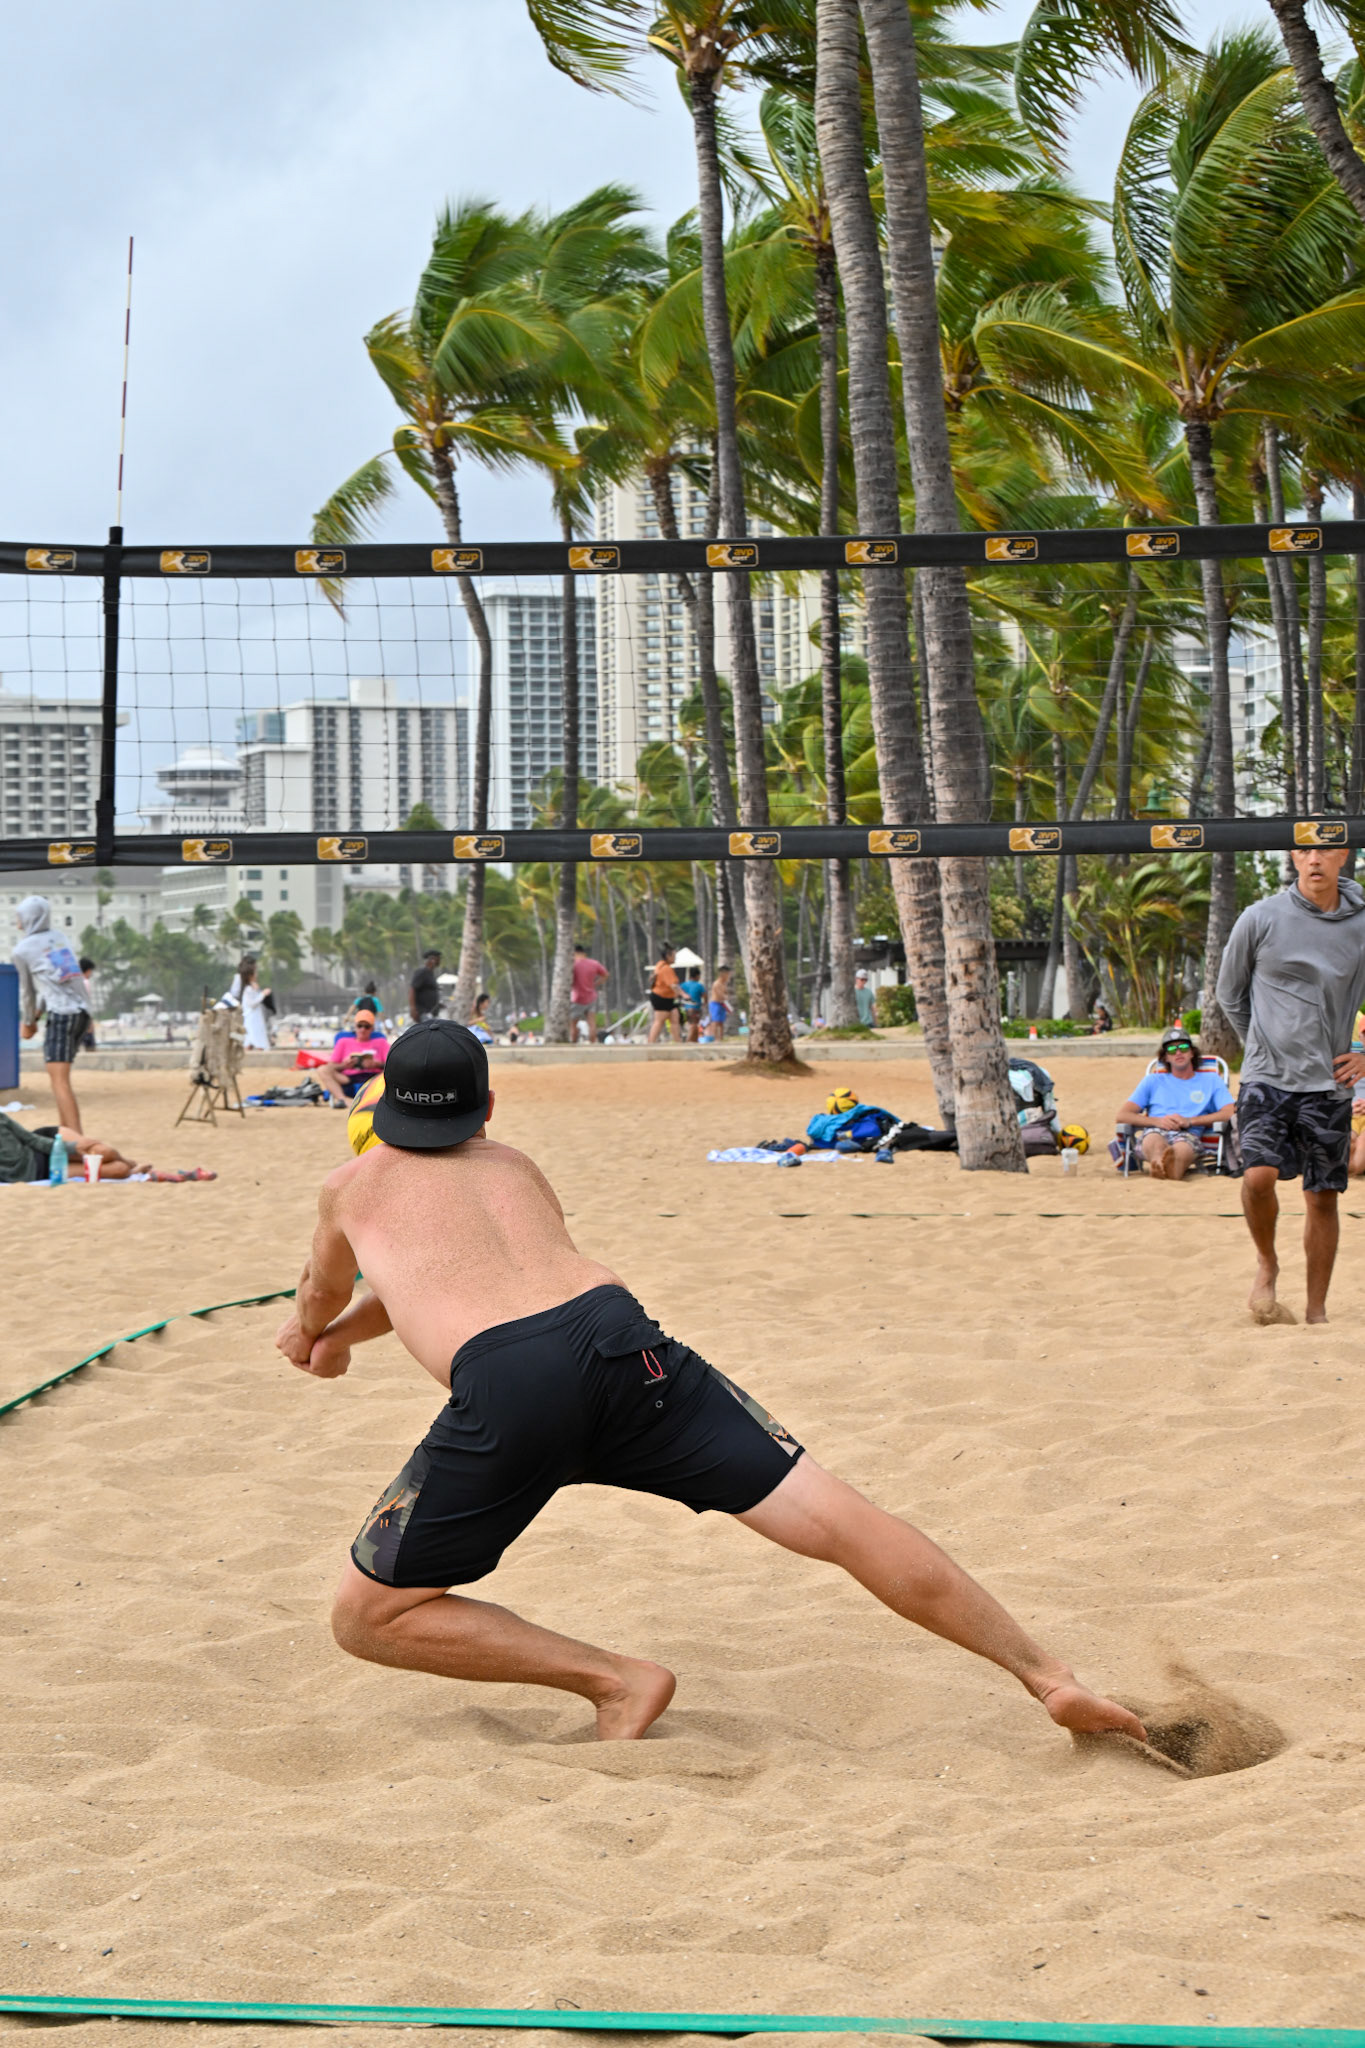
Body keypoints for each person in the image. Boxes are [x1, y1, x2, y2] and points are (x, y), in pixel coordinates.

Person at [273, 1018, 1146, 1749]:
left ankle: (616, 1682)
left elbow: (350, 1289)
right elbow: (463, 1273)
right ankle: (1047, 1676)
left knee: (370, 1617)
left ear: (383, 1104)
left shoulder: (349, 1187)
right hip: (625, 1342)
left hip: (512, 1385)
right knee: (840, 1521)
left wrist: (317, 1333)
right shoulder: (512, 1166)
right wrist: (350, 1330)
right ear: (488, 1107)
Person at [1216, 843, 1365, 1325]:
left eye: (1326, 850)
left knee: (1322, 1197)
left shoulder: (1361, 925)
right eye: (1304, 851)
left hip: (1329, 1081)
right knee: (1258, 1177)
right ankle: (1267, 1261)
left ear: (1346, 856)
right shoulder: (1260, 917)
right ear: (1294, 859)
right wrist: (1260, 1043)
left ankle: (1316, 1310)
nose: (1315, 860)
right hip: (1266, 1077)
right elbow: (1229, 992)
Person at [13, 895, 89, 1133]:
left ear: (28, 918)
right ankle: (67, 1135)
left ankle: (77, 1141)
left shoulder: (22, 950)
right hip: (81, 1012)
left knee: (59, 1082)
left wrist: (27, 1022)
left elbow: (28, 992)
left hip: (62, 1014)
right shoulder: (59, 939)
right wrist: (36, 1016)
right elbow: (61, 981)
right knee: (61, 1079)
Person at [1117, 1031, 1236, 1181]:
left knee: (1182, 1149)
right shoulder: (1152, 1081)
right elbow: (1122, 1115)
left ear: (1192, 1052)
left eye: (1184, 1047)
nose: (1178, 1052)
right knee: (1154, 1140)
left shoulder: (1211, 1080)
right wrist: (1157, 1121)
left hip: (1189, 1133)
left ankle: (1168, 1168)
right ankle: (1161, 1163)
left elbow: (1230, 1111)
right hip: (1156, 1129)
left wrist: (1190, 1121)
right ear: (1165, 1057)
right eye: (1172, 1050)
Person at [0, 1110, 215, 1184]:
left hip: (44, 1143)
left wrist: (69, 1148)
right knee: (119, 1171)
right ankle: (137, 1172)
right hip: (38, 1170)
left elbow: (30, 1139)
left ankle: (134, 1164)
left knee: (104, 1152)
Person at [317, 1011, 388, 1106]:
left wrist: (377, 1064)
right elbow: (331, 1066)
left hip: (375, 1076)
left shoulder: (381, 1042)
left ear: (372, 1028)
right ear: (355, 1026)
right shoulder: (343, 1042)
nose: (363, 1029)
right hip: (348, 1077)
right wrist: (345, 1065)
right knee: (322, 1070)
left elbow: (392, 1064)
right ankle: (343, 1099)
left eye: (367, 1027)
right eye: (360, 1026)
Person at [570, 944, 608, 1043]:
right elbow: (605, 975)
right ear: (584, 953)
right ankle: (592, 1044)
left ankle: (573, 1044)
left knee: (573, 1024)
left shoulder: (573, 964)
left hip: (576, 998)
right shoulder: (594, 963)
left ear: (574, 953)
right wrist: (595, 984)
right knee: (592, 1023)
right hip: (591, 996)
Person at [646, 944, 681, 1044]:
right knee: (659, 1021)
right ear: (668, 956)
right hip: (661, 997)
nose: (675, 958)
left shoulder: (660, 965)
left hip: (668, 998)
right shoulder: (666, 968)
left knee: (675, 1017)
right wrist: (683, 994)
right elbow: (673, 985)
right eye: (674, 955)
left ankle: (677, 1042)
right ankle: (651, 1042)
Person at [238, 959, 273, 1053]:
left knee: (252, 1039)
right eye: (255, 972)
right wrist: (263, 994)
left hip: (255, 1017)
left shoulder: (252, 987)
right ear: (250, 975)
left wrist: (259, 992)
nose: (257, 975)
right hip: (252, 1018)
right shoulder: (248, 989)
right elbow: (252, 1004)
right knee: (254, 1038)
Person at [410, 950, 442, 1023]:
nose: (440, 960)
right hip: (424, 1013)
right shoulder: (422, 972)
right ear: (432, 959)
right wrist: (413, 1009)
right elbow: (412, 989)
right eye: (438, 958)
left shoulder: (430, 973)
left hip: (431, 1012)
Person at [677, 965, 706, 1043]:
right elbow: (704, 997)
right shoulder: (699, 985)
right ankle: (688, 1041)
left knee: (694, 1025)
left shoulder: (683, 985)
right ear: (697, 976)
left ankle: (695, 1041)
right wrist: (704, 1004)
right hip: (695, 1008)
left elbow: (677, 994)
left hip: (684, 1009)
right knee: (693, 1025)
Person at [707, 963, 734, 1041]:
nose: (728, 976)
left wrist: (727, 997)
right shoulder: (716, 983)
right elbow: (720, 994)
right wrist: (726, 997)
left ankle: (721, 1038)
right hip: (715, 1004)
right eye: (727, 974)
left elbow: (725, 993)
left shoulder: (724, 984)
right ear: (723, 974)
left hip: (722, 1004)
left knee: (721, 1022)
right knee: (715, 1022)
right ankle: (715, 1038)